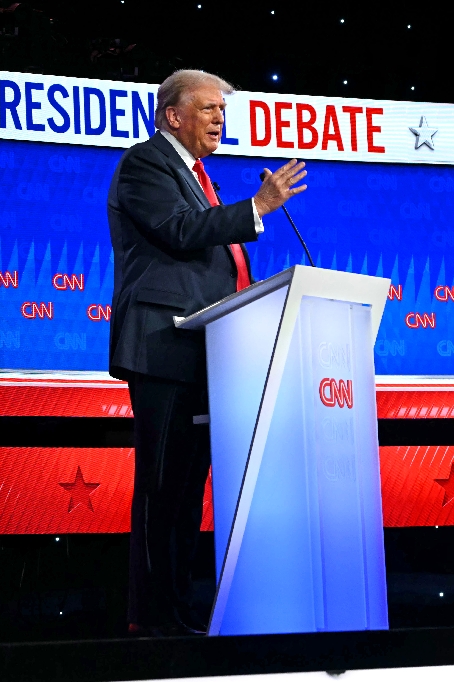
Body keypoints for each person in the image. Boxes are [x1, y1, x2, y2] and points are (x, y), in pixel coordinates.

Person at [107, 69, 307, 636]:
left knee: (188, 491)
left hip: (205, 351)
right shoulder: (147, 162)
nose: (221, 119)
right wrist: (257, 207)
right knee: (163, 488)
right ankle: (150, 624)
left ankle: (175, 614)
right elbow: (178, 230)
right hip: (163, 347)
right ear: (174, 115)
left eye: (223, 110)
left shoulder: (198, 175)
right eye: (210, 109)